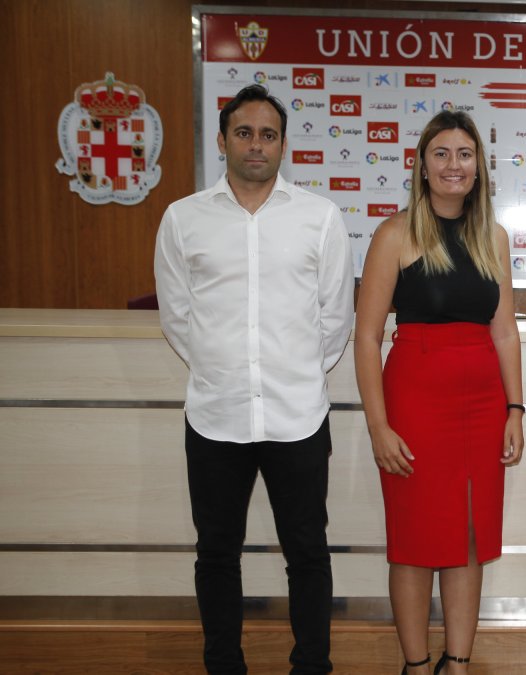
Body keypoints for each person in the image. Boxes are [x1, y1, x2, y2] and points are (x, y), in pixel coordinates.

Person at [154, 83, 354, 674]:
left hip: (297, 415)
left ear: (283, 144)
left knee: (308, 555)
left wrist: (289, 373)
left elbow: (335, 320)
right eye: (245, 133)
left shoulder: (319, 218)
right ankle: (224, 667)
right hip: (216, 416)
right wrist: (224, 369)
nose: (257, 145)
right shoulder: (182, 218)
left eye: (269, 135)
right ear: (223, 140)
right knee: (216, 555)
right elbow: (177, 317)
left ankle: (312, 667)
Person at [354, 109, 524, 675]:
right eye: (442, 154)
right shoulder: (395, 233)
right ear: (423, 167)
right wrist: (378, 425)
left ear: (480, 167)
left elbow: (503, 330)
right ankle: (415, 665)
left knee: (469, 539)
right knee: (415, 541)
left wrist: (515, 409)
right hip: (415, 404)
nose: (455, 165)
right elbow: (367, 334)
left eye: (465, 154)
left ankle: (457, 662)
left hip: (481, 406)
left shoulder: (493, 237)